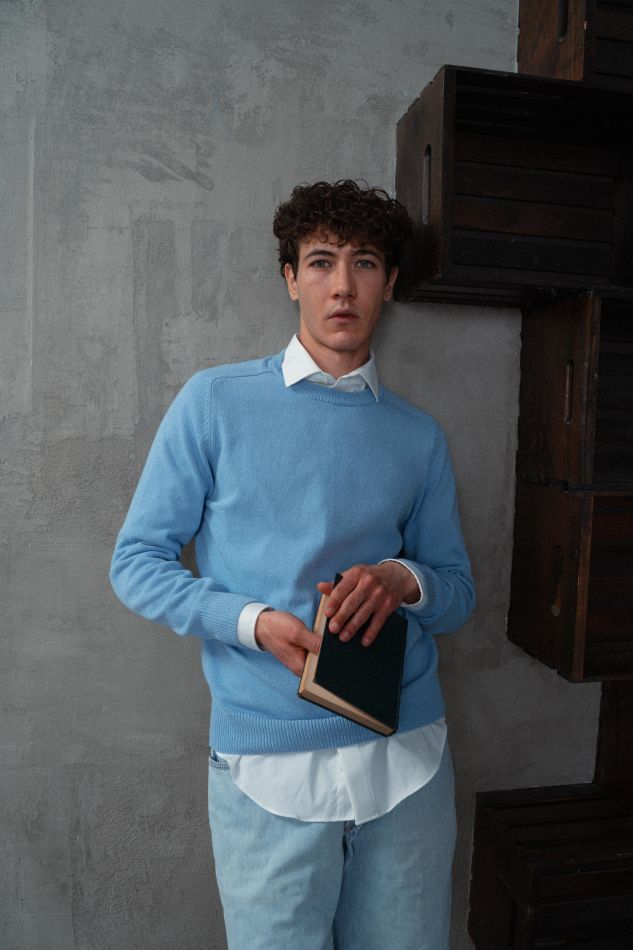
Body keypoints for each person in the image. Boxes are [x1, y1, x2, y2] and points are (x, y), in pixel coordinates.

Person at [110, 179, 475, 950]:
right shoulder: (214, 403)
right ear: (290, 278)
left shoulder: (417, 436)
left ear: (389, 283)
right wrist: (252, 623)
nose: (342, 285)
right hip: (266, 764)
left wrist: (401, 580)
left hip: (405, 758)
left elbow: (456, 593)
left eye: (364, 263)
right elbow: (136, 562)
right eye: (320, 261)